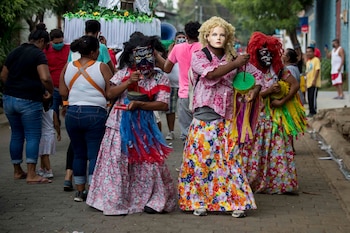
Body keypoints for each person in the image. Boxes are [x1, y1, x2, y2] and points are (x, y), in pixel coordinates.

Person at [86, 33, 177, 215]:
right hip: (118, 126)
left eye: (149, 54)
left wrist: (141, 104)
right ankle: (115, 200)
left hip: (145, 129)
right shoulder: (123, 74)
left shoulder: (160, 78)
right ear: (131, 55)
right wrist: (128, 82)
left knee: (149, 164)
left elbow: (163, 104)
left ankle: (153, 199)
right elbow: (110, 94)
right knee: (117, 164)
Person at [178, 16, 257, 218]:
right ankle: (198, 201)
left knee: (230, 162)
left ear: (228, 37)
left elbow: (257, 78)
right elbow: (211, 74)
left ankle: (236, 201)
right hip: (204, 118)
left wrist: (252, 91)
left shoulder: (234, 57)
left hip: (227, 119)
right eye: (214, 34)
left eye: (222, 34)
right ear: (206, 36)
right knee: (201, 162)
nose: (218, 38)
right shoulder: (199, 56)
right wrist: (236, 63)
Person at [242, 32, 306, 195]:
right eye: (262, 51)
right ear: (255, 52)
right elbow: (246, 97)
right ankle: (254, 180)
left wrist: (282, 101)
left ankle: (279, 183)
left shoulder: (278, 69)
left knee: (277, 149)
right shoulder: (248, 70)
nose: (266, 55)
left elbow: (295, 85)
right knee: (256, 148)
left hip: (275, 118)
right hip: (256, 118)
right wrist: (269, 91)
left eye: (269, 51)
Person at [63, 19, 116, 192]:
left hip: (72, 113)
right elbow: (110, 92)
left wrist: (68, 102)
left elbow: (63, 90)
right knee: (94, 153)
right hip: (95, 113)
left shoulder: (68, 66)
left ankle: (79, 190)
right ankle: (93, 191)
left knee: (79, 153)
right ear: (95, 51)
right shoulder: (101, 67)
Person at [0, 23, 54, 184]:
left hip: (9, 99)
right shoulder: (38, 55)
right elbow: (45, 77)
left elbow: (3, 75)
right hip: (29, 100)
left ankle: (17, 171)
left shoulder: (15, 51)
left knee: (16, 135)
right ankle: (31, 174)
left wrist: (13, 87)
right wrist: (49, 91)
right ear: (43, 41)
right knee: (32, 136)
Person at [163, 21, 202, 142]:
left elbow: (167, 68)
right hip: (202, 94)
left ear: (186, 35)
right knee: (201, 130)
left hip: (184, 94)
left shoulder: (177, 48)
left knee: (186, 131)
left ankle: (187, 158)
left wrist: (171, 51)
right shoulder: (204, 47)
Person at [44, 28, 70, 125]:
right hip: (53, 87)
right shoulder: (45, 51)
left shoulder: (69, 49)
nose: (59, 44)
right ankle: (55, 126)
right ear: (51, 41)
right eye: (56, 43)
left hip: (67, 87)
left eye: (61, 42)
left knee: (68, 110)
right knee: (53, 110)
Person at [165, 31, 186, 140]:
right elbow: (167, 65)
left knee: (184, 111)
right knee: (170, 110)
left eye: (183, 37)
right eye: (179, 38)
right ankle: (171, 131)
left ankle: (186, 132)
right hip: (172, 85)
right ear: (175, 40)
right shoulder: (172, 50)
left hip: (184, 85)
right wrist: (171, 50)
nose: (181, 39)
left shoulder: (188, 49)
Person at [37, 98, 61, 179]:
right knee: (43, 153)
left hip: (42, 135)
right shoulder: (52, 112)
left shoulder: (39, 112)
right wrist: (59, 133)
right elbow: (56, 124)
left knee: (44, 154)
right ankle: (42, 168)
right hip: (50, 134)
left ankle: (48, 170)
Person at [305, 46, 321, 117]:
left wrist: (314, 80)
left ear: (313, 52)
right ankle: (310, 111)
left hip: (314, 83)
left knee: (313, 97)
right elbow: (307, 72)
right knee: (309, 98)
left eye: (310, 52)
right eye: (307, 52)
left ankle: (314, 111)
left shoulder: (316, 60)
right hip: (308, 83)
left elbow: (317, 70)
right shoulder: (308, 62)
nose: (308, 53)